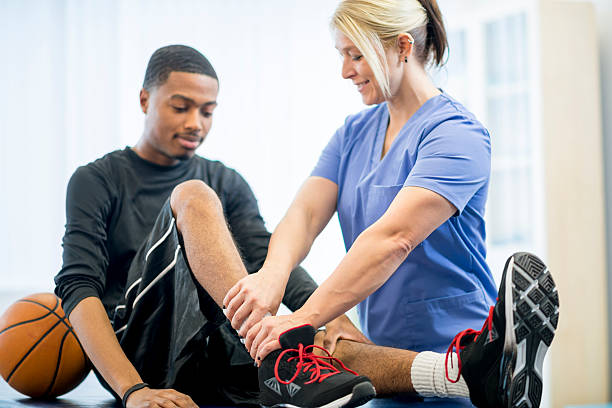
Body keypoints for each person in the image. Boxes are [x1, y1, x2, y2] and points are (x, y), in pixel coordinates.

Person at [224, 1, 559, 407]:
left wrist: (301, 319)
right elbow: (305, 214)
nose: (346, 71)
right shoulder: (353, 133)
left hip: (460, 355)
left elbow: (394, 238)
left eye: (356, 54)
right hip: (383, 363)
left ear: (401, 47)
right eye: (342, 55)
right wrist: (271, 277)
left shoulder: (455, 133)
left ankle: (489, 367)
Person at [54, 44, 374, 408]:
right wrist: (132, 390)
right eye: (181, 107)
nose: (196, 123)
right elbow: (77, 286)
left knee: (336, 343)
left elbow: (268, 259)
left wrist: (330, 317)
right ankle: (272, 359)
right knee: (193, 195)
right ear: (145, 100)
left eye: (207, 112)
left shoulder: (227, 179)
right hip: (142, 357)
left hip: (220, 354)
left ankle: (443, 372)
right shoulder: (97, 179)